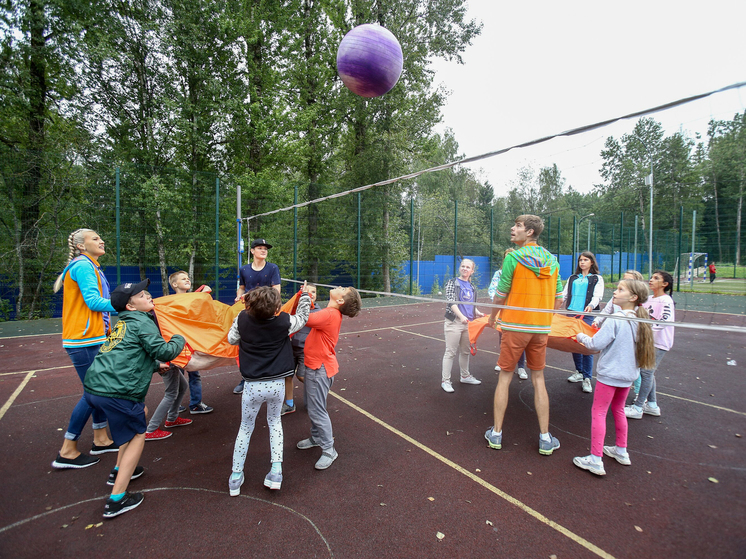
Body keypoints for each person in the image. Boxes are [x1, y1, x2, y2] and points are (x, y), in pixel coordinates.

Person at [83, 279, 185, 518]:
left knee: (142, 414)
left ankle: (119, 469)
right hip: (117, 391)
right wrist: (180, 335)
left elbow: (127, 355)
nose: (149, 296)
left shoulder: (124, 324)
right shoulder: (141, 321)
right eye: (142, 295)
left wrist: (152, 366)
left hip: (95, 388)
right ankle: (117, 499)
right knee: (139, 433)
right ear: (130, 306)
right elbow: (166, 351)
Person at [485, 215, 564, 456]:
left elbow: (500, 295)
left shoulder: (513, 257)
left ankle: (496, 433)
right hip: (540, 330)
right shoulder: (553, 261)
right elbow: (559, 299)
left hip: (515, 327)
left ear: (529, 232)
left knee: (505, 378)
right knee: (538, 379)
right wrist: (542, 317)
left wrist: (492, 317)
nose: (513, 228)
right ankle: (544, 438)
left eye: (518, 226)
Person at [227, 285, 311, 495]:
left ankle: (236, 477)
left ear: (249, 304)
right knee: (275, 424)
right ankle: (275, 472)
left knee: (245, 428)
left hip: (252, 385)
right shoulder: (284, 321)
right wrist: (305, 296)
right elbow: (301, 318)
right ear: (276, 307)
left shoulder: (241, 319)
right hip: (276, 384)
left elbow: (231, 339)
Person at [572, 279, 656, 476]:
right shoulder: (640, 319)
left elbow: (594, 344)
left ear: (633, 297)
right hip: (627, 376)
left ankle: (595, 459)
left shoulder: (616, 318)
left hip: (610, 375)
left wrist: (579, 336)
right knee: (618, 409)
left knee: (599, 413)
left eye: (620, 290)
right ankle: (621, 450)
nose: (615, 293)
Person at [51, 229, 118, 470]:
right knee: (93, 392)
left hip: (93, 337)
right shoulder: (82, 265)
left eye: (101, 237)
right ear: (81, 246)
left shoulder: (92, 265)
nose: (101, 240)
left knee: (96, 390)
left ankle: (101, 439)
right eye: (95, 239)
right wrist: (127, 303)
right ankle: (67, 450)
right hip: (83, 340)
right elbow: (93, 301)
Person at [296, 285, 362, 470]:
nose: (339, 286)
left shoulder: (330, 314)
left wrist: (304, 297)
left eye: (343, 289)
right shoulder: (329, 312)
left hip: (319, 370)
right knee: (314, 406)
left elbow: (303, 319)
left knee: (317, 410)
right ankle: (317, 438)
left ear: (340, 300)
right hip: (316, 367)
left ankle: (329, 450)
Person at [233, 239, 281, 397]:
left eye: (265, 248)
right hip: (249, 313)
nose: (263, 250)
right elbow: (241, 288)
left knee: (267, 345)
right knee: (245, 346)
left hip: (267, 312)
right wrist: (238, 297)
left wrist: (257, 298)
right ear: (252, 251)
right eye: (260, 248)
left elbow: (276, 292)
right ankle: (245, 378)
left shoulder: (273, 268)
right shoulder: (244, 269)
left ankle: (270, 375)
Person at [144, 288, 193, 440]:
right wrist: (162, 360)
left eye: (150, 297)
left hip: (168, 355)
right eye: (145, 298)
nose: (150, 300)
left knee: (183, 386)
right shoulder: (150, 318)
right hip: (165, 357)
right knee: (171, 392)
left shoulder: (156, 314)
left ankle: (172, 418)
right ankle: (151, 429)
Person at [625, 271, 675, 420]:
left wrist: (646, 332)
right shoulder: (649, 299)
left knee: (646, 372)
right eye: (652, 277)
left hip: (658, 342)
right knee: (647, 372)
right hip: (646, 340)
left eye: (656, 278)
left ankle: (638, 407)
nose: (651, 280)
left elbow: (664, 321)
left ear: (664, 284)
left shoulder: (666, 300)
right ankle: (652, 405)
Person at [169, 270, 214, 414]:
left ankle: (195, 403)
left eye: (188, 278)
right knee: (177, 376)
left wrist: (203, 295)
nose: (187, 280)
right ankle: (174, 405)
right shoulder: (170, 302)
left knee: (195, 373)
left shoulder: (193, 298)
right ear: (174, 284)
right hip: (178, 344)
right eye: (183, 279)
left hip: (192, 343)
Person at [562, 251, 605, 394]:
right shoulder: (573, 278)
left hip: (587, 314)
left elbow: (597, 296)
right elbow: (564, 295)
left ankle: (587, 377)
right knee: (574, 343)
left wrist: (591, 306)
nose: (582, 262)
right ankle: (579, 372)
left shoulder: (596, 278)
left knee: (587, 345)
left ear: (591, 262)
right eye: (581, 260)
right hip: (572, 312)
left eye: (585, 260)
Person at [440, 259, 485, 392]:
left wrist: (478, 312)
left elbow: (470, 305)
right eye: (463, 266)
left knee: (465, 351)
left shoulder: (472, 287)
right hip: (454, 322)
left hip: (468, 324)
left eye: (468, 267)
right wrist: (461, 316)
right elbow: (451, 302)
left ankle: (465, 376)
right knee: (450, 352)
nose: (465, 269)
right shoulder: (452, 283)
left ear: (472, 271)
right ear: (460, 268)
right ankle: (445, 381)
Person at [487, 249, 527, 379]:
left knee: (520, 339)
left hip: (518, 312)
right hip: (503, 311)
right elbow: (492, 289)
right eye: (507, 257)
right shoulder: (499, 273)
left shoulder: (521, 273)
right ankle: (503, 362)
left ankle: (521, 367)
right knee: (503, 337)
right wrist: (500, 302)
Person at [290, 283, 319, 387]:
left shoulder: (318, 312)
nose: (311, 294)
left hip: (305, 350)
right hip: (291, 348)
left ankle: (317, 389)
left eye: (314, 291)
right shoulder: (295, 308)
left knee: (301, 375)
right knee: (287, 376)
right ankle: (289, 402)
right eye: (308, 291)